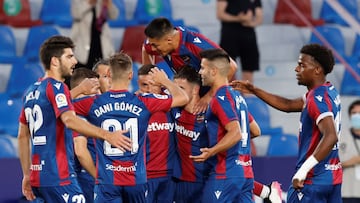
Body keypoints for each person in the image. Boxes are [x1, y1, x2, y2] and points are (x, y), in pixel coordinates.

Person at [17, 35, 132, 202]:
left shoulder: (30, 91)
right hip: (60, 176)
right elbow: (69, 120)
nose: (75, 61)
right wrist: (108, 135)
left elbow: (22, 135)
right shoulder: (57, 87)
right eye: (69, 56)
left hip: (38, 178)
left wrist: (26, 174)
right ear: (55, 61)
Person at [231, 43, 342, 203]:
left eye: (302, 65)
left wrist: (303, 172)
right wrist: (255, 90)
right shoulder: (328, 91)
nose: (297, 69)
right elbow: (288, 105)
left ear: (317, 70)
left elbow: (330, 136)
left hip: (312, 179)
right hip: (333, 177)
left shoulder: (316, 99)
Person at [73, 52, 189, 202]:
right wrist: (165, 81)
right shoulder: (143, 101)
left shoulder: (93, 102)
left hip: (107, 180)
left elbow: (56, 105)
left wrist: (80, 89)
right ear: (131, 75)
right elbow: (183, 98)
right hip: (136, 180)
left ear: (109, 73)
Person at [190, 48, 254, 202]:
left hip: (226, 172)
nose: (199, 72)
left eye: (203, 68)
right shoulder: (237, 96)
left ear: (213, 71)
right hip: (245, 173)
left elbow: (236, 133)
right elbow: (255, 130)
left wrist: (212, 151)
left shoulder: (220, 98)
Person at [142, 17, 238, 108]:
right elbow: (145, 49)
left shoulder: (196, 46)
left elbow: (231, 67)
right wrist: (149, 77)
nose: (153, 49)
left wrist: (209, 96)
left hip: (210, 99)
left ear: (169, 40)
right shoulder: (158, 41)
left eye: (155, 45)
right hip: (188, 97)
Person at [137, 64, 177, 203]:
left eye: (151, 84)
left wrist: (166, 82)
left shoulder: (172, 102)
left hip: (170, 173)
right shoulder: (137, 104)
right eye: (143, 85)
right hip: (145, 174)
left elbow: (185, 97)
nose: (147, 89)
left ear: (161, 84)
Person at [171, 65, 209, 203]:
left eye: (181, 89)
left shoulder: (210, 113)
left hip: (204, 182)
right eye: (175, 89)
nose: (176, 93)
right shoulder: (173, 110)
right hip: (179, 182)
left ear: (195, 89)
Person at [70, 67, 100, 203]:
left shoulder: (65, 113)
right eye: (96, 90)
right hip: (84, 178)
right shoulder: (79, 116)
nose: (99, 94)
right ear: (83, 89)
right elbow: (81, 151)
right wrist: (98, 178)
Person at [216, 0, 263, 83]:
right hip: (229, 36)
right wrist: (239, 18)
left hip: (249, 37)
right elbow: (220, 14)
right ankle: (228, 94)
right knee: (227, 70)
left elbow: (259, 17)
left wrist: (250, 23)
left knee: (248, 70)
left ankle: (246, 94)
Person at [70, 0, 118, 70]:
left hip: (100, 44)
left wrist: (109, 4)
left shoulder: (101, 2)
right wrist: (90, 3)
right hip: (83, 44)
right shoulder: (78, 1)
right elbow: (76, 14)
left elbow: (114, 15)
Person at [339, 100, 360, 203]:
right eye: (354, 113)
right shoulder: (340, 137)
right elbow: (331, 163)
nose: (357, 116)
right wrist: (350, 162)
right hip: (347, 192)